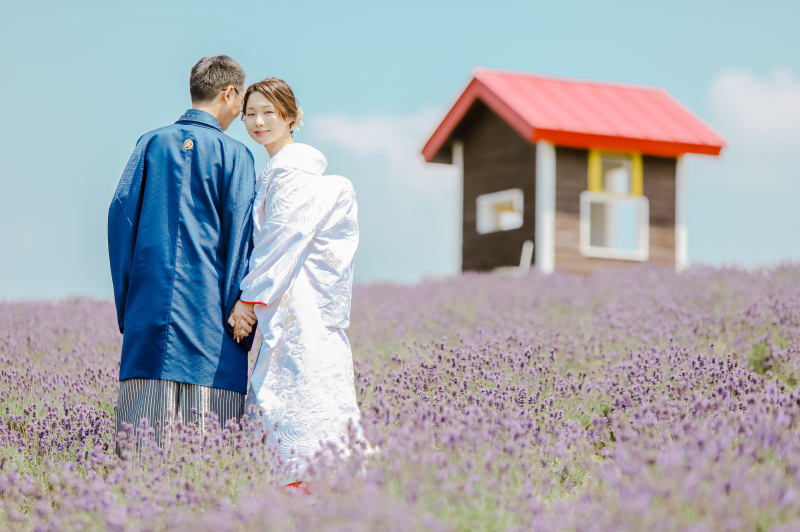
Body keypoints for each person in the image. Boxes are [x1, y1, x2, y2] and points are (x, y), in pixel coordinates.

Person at [108, 56, 258, 453]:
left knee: (140, 459)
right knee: (210, 461)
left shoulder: (150, 143)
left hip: (149, 321)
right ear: (229, 93)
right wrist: (237, 311)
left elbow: (120, 224)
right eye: (241, 100)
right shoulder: (236, 155)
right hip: (212, 329)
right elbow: (242, 240)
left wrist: (130, 307)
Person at [231, 78, 368, 486]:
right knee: (301, 387)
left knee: (295, 385)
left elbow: (281, 238)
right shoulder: (281, 166)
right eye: (250, 114)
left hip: (293, 301)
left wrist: (247, 299)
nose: (258, 122)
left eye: (268, 113)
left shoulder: (291, 168)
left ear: (291, 117)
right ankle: (317, 482)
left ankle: (301, 484)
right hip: (292, 299)